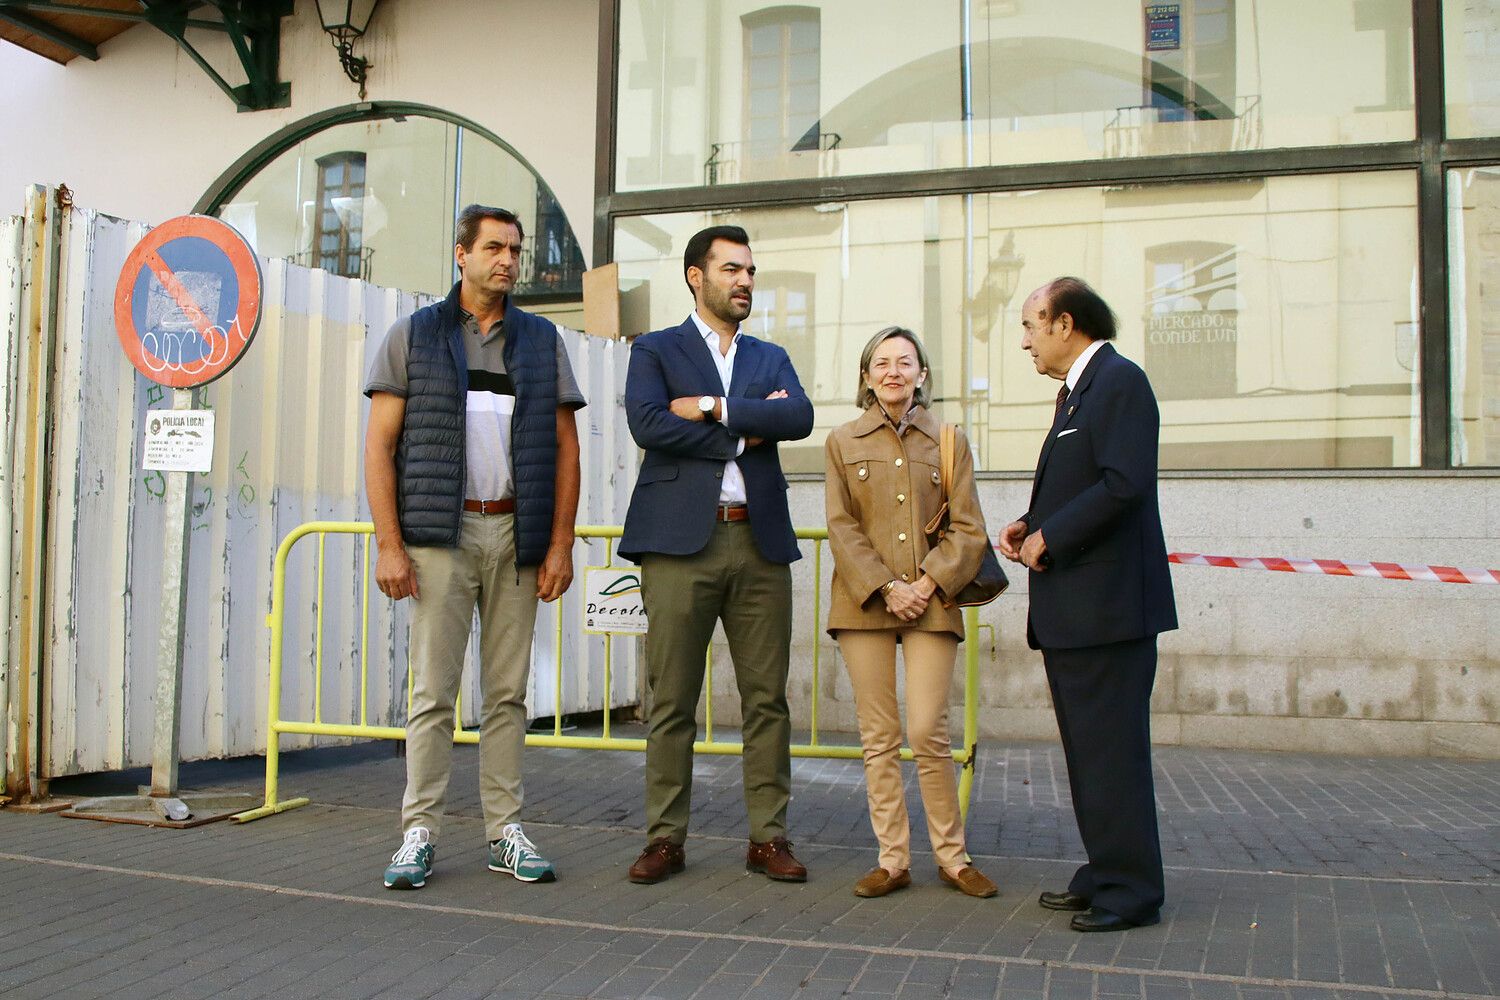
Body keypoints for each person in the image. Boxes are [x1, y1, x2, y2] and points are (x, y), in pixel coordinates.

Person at [364, 204, 586, 890]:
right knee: (432, 692)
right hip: (441, 535)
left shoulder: (543, 341)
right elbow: (380, 446)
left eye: (515, 250)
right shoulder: (415, 337)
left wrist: (559, 546)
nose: (509, 261)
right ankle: (419, 832)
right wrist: (389, 546)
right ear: (460, 254)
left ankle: (504, 832)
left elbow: (566, 449)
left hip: (517, 535)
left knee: (508, 695)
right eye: (494, 248)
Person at [619, 224, 815, 884]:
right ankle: (665, 837)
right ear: (695, 277)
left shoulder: (769, 356)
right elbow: (648, 423)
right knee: (671, 698)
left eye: (751, 271)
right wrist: (743, 431)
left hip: (758, 540)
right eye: (732, 269)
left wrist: (710, 407)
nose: (746, 281)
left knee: (768, 700)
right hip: (679, 541)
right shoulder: (656, 349)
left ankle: (769, 837)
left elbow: (798, 419)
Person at [998, 277, 1177, 932]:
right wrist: (1031, 522)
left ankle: (1131, 893)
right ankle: (1107, 868)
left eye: (1029, 326)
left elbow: (1125, 483)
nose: (1024, 342)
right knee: (1089, 753)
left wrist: (1055, 534)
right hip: (1079, 610)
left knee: (1112, 755)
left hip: (1109, 612)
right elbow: (1086, 482)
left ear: (1064, 323)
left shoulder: (1119, 382)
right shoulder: (1080, 392)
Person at [824, 327, 999, 900]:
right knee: (878, 736)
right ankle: (892, 859)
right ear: (866, 375)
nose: (893, 371)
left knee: (928, 730)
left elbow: (969, 529)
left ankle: (953, 857)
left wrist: (926, 584)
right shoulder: (843, 441)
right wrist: (885, 586)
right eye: (881, 362)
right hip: (864, 602)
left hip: (933, 601)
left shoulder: (948, 440)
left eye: (905, 362)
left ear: (923, 373)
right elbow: (840, 525)